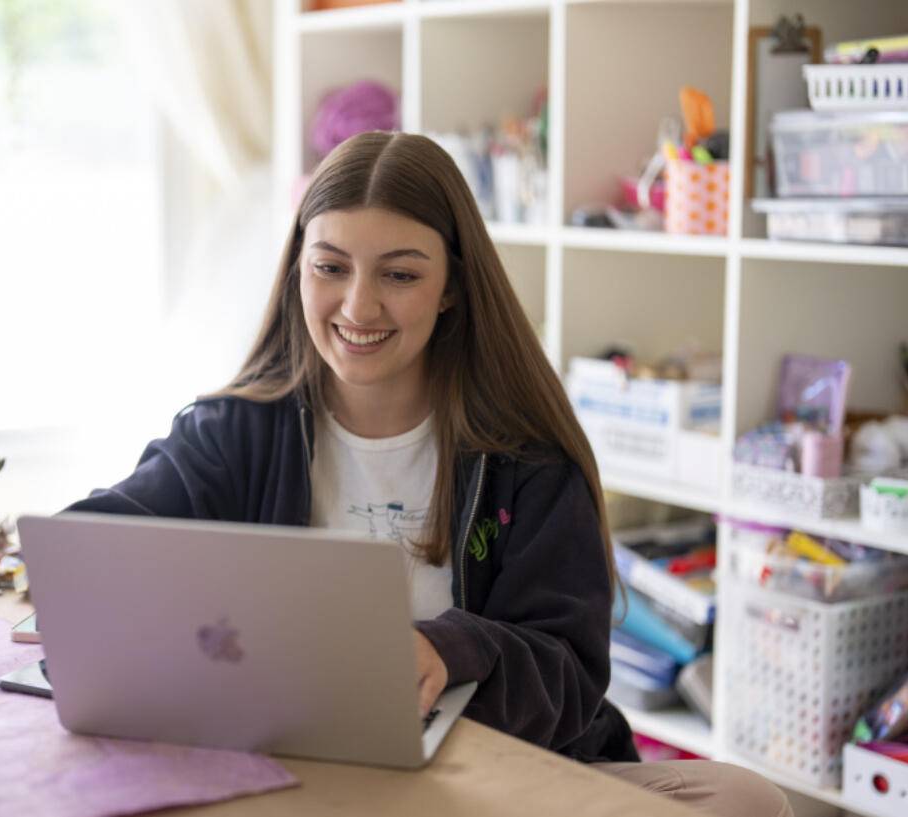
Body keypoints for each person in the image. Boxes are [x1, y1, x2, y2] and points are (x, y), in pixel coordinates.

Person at [66, 131, 792, 817]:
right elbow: (102, 538)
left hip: (495, 769)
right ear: (298, 269)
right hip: (295, 767)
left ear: (451, 287)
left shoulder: (528, 458)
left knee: (747, 800)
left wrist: (450, 648)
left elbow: (570, 673)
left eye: (400, 274)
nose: (358, 305)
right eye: (330, 267)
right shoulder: (235, 432)